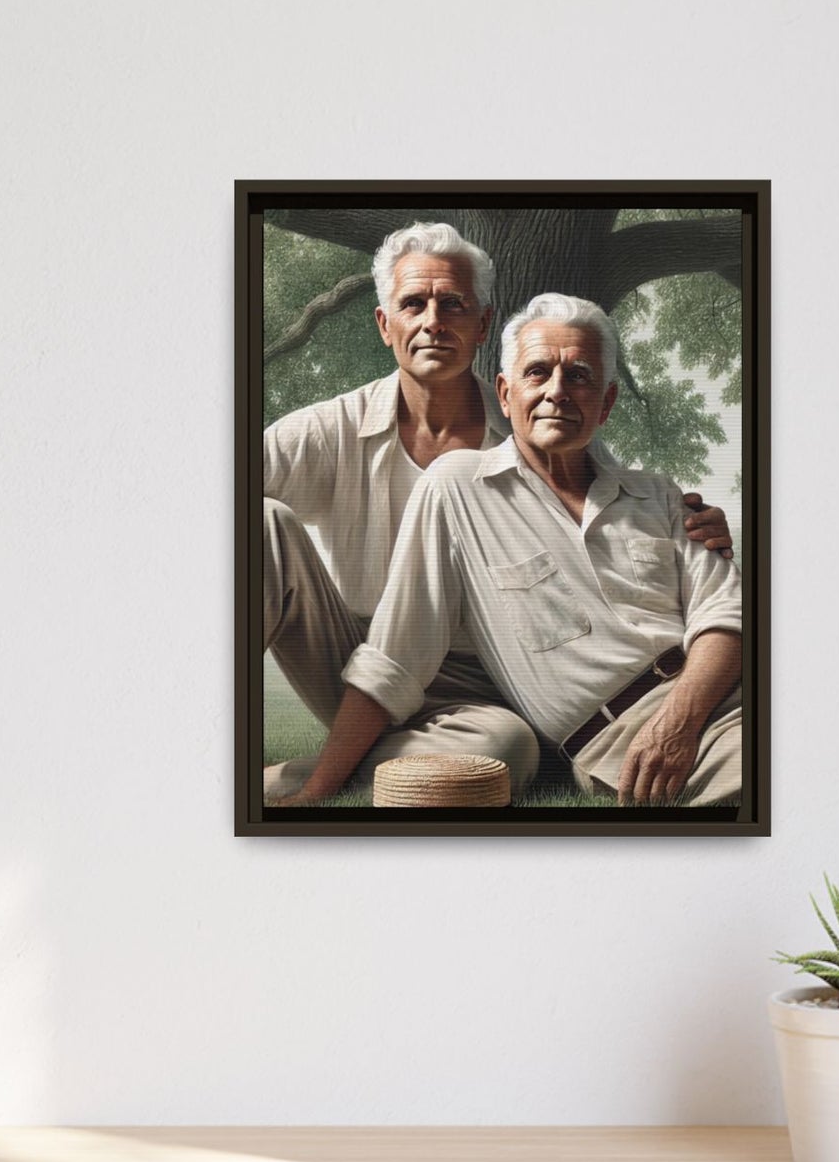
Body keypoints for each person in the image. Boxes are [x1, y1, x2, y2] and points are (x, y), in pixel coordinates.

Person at [264, 228, 730, 803]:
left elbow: (610, 507)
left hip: (491, 679)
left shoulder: (537, 419)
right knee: (257, 523)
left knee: (507, 751)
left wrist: (699, 525)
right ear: (385, 325)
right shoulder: (326, 431)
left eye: (454, 304)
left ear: (482, 325)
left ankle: (360, 768)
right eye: (413, 303)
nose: (434, 321)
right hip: (356, 654)